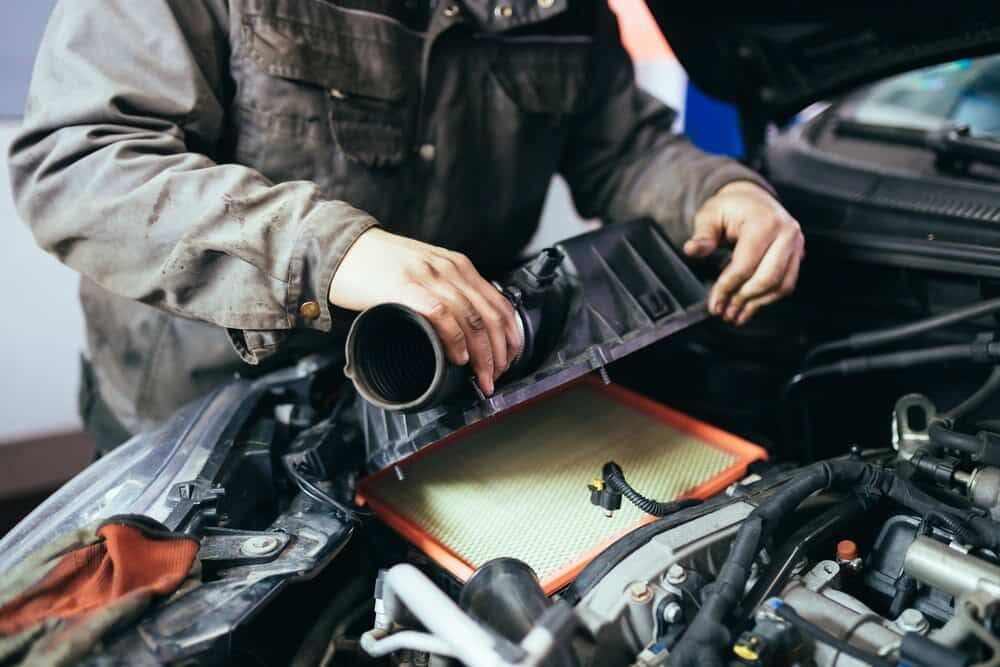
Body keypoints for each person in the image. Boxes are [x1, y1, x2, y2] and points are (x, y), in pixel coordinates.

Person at [9, 1, 803, 453]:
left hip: (443, 404)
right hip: (208, 420)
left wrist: (714, 188)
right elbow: (76, 164)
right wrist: (328, 250)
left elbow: (620, 144)